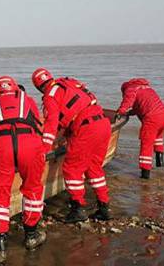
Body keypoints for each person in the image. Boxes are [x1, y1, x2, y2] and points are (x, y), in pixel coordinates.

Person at [0, 76, 46, 264]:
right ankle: (31, 236)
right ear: (16, 88)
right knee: (32, 188)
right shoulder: (27, 99)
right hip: (30, 144)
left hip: (1, 146)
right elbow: (39, 124)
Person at [32, 68, 112, 223]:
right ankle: (104, 207)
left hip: (86, 128)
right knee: (94, 167)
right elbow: (78, 107)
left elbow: (52, 122)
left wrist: (45, 148)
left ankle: (78, 209)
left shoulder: (50, 96)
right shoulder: (70, 83)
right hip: (103, 123)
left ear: (38, 87)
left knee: (72, 168)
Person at [117, 78, 164, 179]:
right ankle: (160, 162)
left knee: (146, 144)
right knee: (158, 137)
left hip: (152, 118)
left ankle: (145, 174)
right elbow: (139, 107)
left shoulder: (130, 89)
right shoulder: (147, 88)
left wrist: (121, 111)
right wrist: (129, 113)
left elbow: (127, 101)